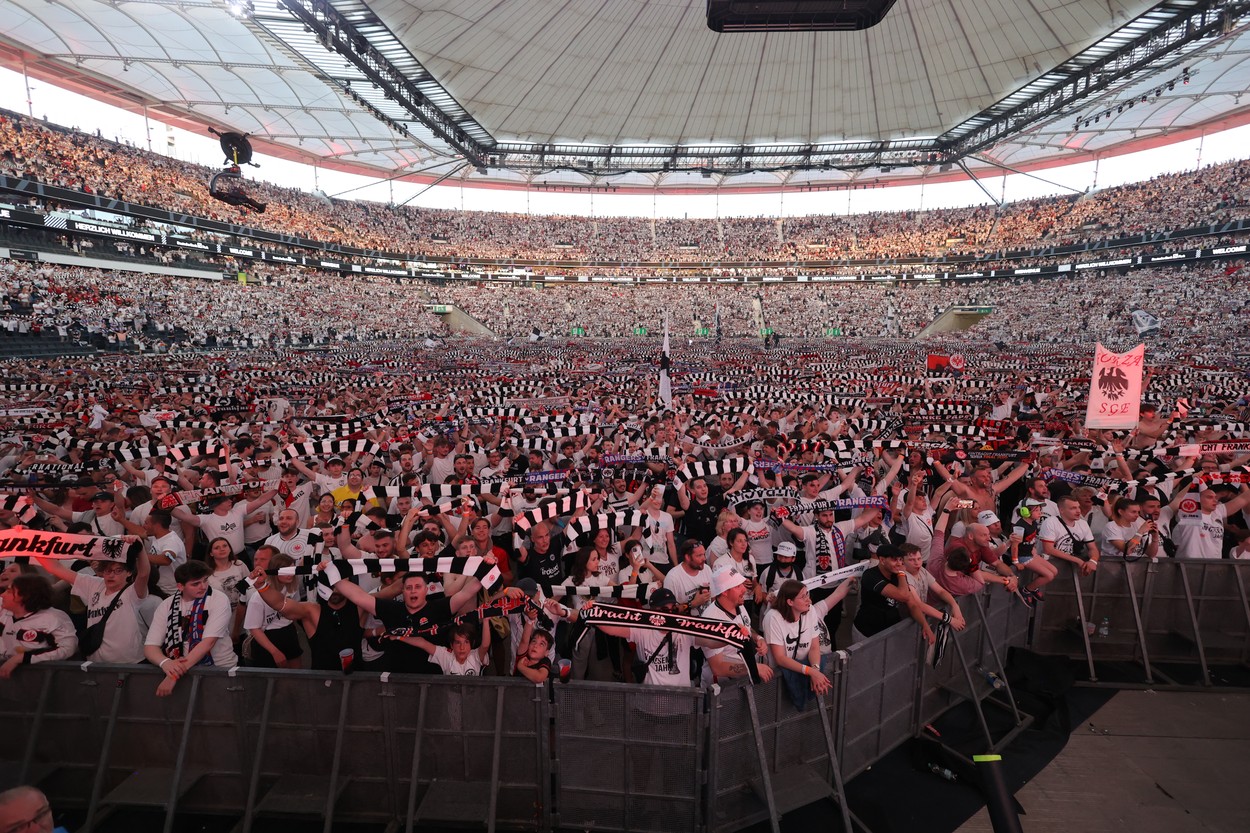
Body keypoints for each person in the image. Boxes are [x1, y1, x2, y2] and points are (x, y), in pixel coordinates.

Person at [34, 541, 150, 664]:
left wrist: (140, 548)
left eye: (118, 571)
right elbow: (55, 568)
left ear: (129, 572)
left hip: (129, 663)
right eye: (107, 570)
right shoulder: (93, 584)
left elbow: (144, 573)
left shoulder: (132, 592)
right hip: (96, 663)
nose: (111, 575)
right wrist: (31, 544)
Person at [245, 565, 365, 672]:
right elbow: (280, 603)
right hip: (323, 680)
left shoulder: (361, 607)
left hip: (357, 677)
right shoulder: (312, 611)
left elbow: (382, 597)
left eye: (337, 583)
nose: (333, 589)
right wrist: (261, 586)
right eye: (328, 583)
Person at [143, 560, 237, 695]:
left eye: (205, 580)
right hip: (183, 672)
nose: (203, 586)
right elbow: (150, 647)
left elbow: (208, 642)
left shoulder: (218, 598)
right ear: (180, 587)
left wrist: (173, 675)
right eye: (196, 584)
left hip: (219, 669)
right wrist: (165, 663)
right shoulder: (167, 604)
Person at [851, 544, 960, 644]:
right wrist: (902, 573)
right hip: (867, 631)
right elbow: (903, 596)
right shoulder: (871, 576)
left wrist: (925, 626)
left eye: (900, 560)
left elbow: (912, 605)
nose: (899, 563)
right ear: (882, 560)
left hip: (888, 630)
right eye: (894, 560)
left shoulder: (897, 575)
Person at [700, 563, 773, 684]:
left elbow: (747, 627)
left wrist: (758, 638)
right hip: (722, 688)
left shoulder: (738, 603)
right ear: (724, 592)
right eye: (738, 586)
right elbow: (717, 667)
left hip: (742, 679)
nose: (744, 589)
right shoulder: (711, 620)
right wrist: (753, 668)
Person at [0, 575, 78, 678]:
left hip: (42, 681)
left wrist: (22, 658)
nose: (2, 595)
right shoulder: (3, 613)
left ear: (25, 595)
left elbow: (67, 649)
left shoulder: (53, 618)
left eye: (9, 592)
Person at [409, 623, 491, 676]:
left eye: (466, 642)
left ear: (471, 644)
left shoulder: (475, 655)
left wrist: (486, 620)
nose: (462, 647)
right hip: (450, 700)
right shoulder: (446, 655)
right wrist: (398, 637)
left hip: (472, 699)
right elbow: (423, 643)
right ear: (452, 645)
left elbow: (485, 645)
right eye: (458, 643)